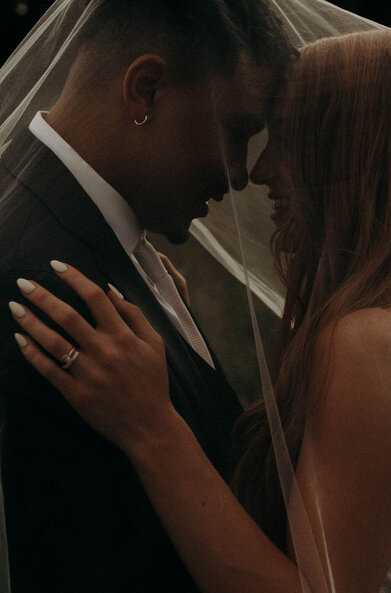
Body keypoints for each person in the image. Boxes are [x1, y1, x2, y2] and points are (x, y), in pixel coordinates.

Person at [10, 28, 391, 593]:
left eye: (287, 139)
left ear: (352, 154)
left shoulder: (369, 341)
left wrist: (151, 429)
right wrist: (175, 332)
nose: (259, 172)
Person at [0, 1, 297, 591]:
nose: (239, 175)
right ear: (146, 90)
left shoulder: (105, 247)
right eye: (236, 132)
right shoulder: (44, 288)